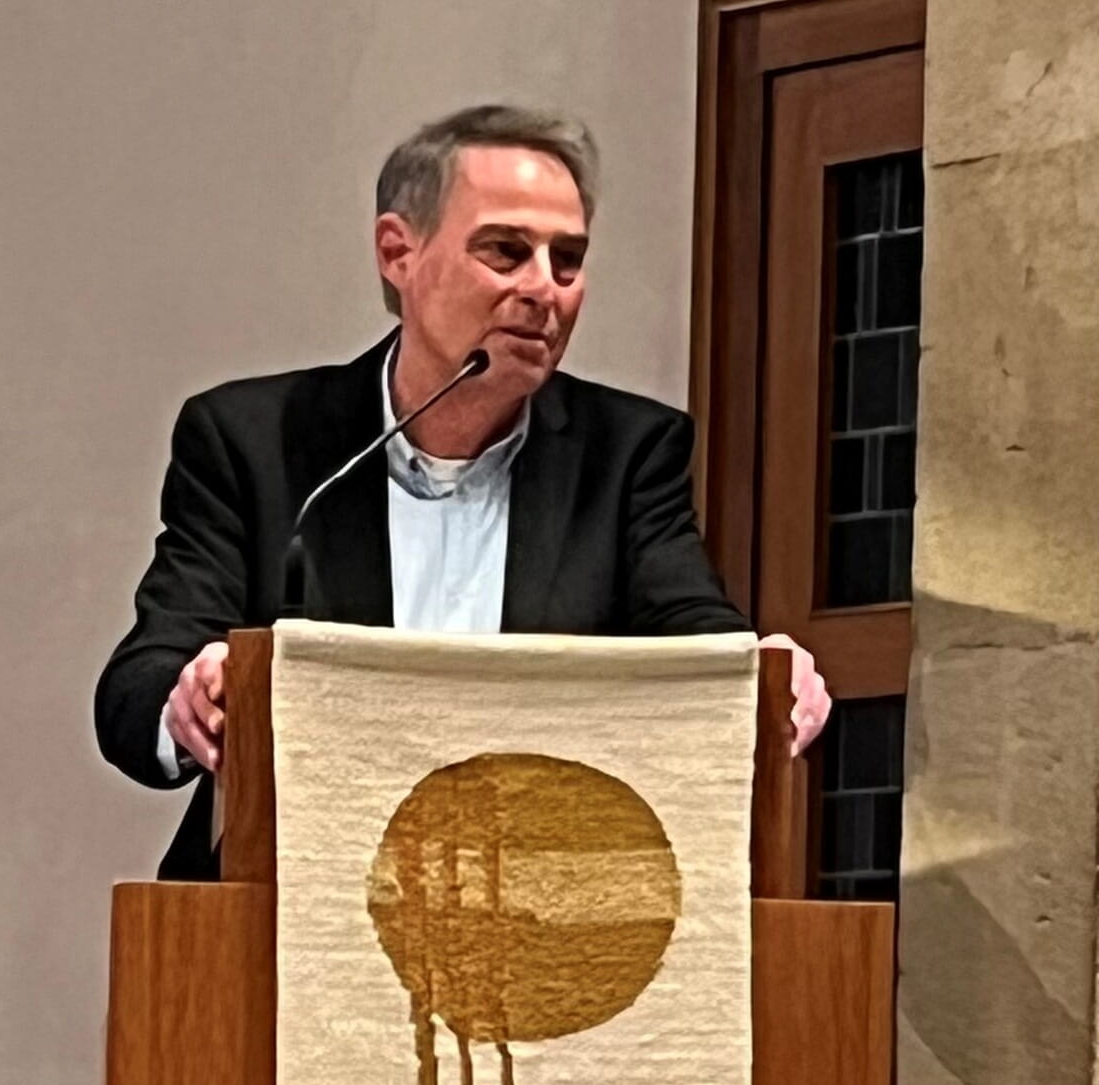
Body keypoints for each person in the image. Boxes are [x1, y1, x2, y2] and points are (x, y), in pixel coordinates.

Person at [95, 104, 830, 881]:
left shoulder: (623, 456)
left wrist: (760, 673)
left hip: (535, 907)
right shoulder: (256, 443)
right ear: (397, 253)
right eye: (506, 252)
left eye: (568, 260)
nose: (544, 289)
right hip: (280, 901)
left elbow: (696, 639)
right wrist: (192, 699)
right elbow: (139, 686)